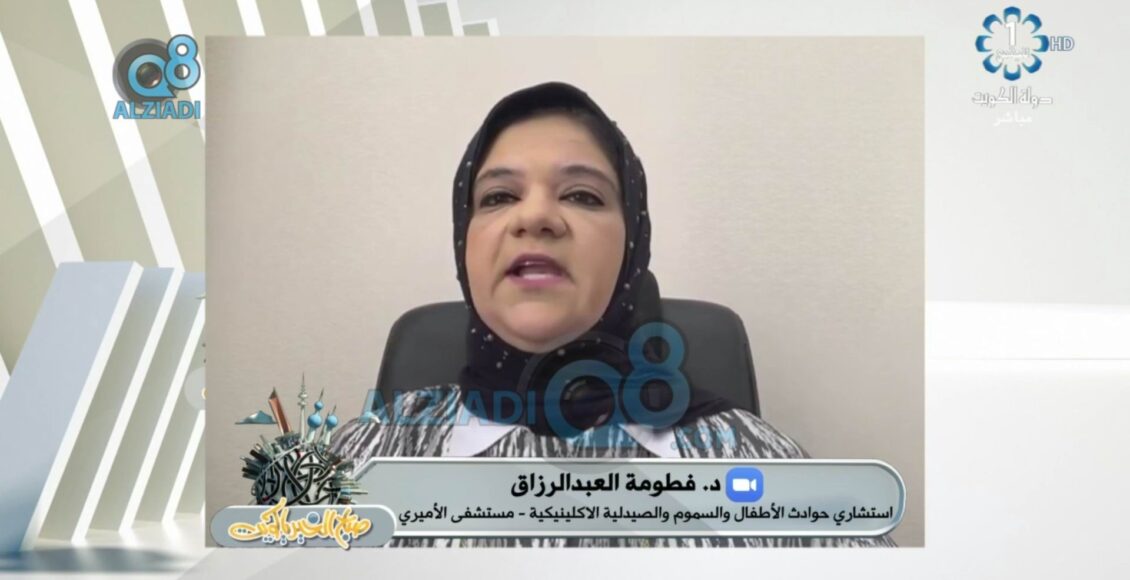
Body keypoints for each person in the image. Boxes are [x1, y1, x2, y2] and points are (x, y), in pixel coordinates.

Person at [331, 81, 896, 548]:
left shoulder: (757, 465)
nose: (535, 216)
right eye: (498, 197)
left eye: (582, 195)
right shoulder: (358, 461)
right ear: (464, 241)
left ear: (631, 246)